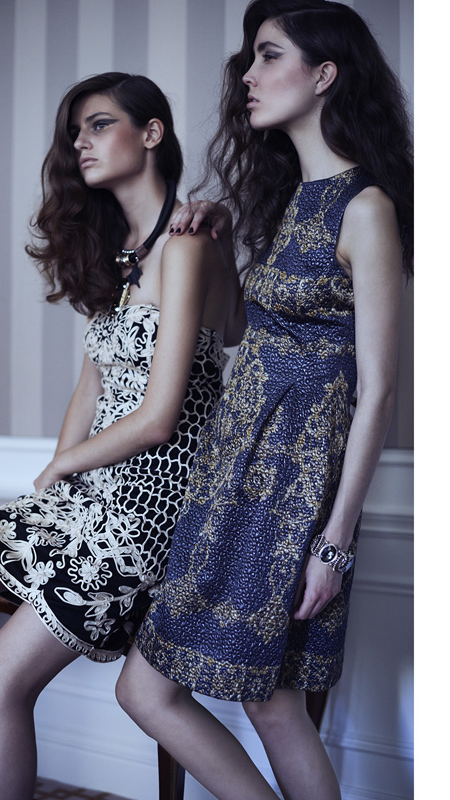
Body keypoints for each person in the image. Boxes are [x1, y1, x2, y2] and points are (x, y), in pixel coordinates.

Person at [0, 72, 242, 800]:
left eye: (100, 124)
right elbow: (91, 388)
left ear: (151, 133)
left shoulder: (186, 245)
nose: (81, 142)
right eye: (75, 131)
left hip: (149, 511)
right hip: (89, 497)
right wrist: (58, 472)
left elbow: (161, 414)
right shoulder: (122, 255)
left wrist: (63, 468)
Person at [116, 2, 413, 799]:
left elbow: (379, 389)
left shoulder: (366, 208)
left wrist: (334, 543)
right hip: (230, 469)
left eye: (269, 56)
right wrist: (215, 246)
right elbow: (245, 335)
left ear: (324, 75)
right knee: (181, 692)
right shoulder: (290, 201)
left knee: (266, 700)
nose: (247, 75)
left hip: (291, 491)